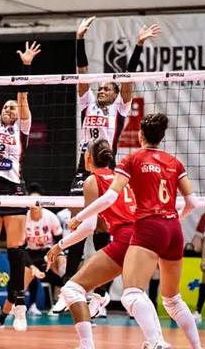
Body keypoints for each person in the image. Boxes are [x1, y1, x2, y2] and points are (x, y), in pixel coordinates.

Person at [69, 114, 202, 349]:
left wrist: (79, 217)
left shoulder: (132, 159)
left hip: (149, 227)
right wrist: (173, 220)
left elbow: (110, 197)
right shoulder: (174, 162)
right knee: (172, 299)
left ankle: (158, 343)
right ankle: (197, 347)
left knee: (131, 294)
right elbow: (192, 203)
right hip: (173, 229)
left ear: (140, 135)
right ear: (161, 137)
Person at [64, 19, 161, 292]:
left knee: (102, 230)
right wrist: (79, 39)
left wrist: (139, 45)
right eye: (101, 87)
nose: (102, 89)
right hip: (83, 170)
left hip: (107, 170)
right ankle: (69, 288)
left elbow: (127, 78)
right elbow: (82, 72)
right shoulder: (87, 103)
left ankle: (100, 294)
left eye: (108, 87)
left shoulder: (120, 109)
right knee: (78, 227)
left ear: (117, 94)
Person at [0, 36, 41, 332]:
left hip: (14, 193)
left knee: (16, 253)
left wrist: (25, 66)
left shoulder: (22, 131)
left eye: (13, 108)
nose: (9, 110)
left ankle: (20, 307)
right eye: (6, 108)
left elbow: (23, 98)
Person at [44, 140, 136, 349]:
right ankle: (157, 340)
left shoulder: (92, 181)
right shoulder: (122, 180)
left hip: (124, 240)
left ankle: (87, 344)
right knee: (138, 296)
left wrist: (59, 246)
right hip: (142, 241)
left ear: (88, 158)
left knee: (71, 290)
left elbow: (88, 227)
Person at [22, 204, 64, 316]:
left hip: (48, 250)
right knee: (28, 274)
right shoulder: (24, 218)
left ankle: (59, 303)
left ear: (42, 205)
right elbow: (20, 246)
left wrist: (55, 254)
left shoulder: (50, 216)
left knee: (61, 266)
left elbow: (59, 238)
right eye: (32, 204)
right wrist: (31, 266)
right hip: (31, 251)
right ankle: (28, 305)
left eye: (37, 203)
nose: (35, 206)